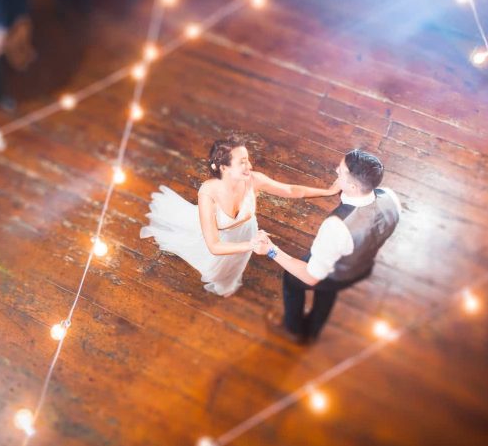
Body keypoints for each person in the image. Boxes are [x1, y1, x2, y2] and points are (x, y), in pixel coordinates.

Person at [141, 135, 339, 297]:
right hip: (222, 239)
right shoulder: (208, 193)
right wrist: (252, 246)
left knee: (235, 262)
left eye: (248, 160)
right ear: (224, 167)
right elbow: (214, 246)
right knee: (215, 264)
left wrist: (329, 192)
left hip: (246, 232)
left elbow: (290, 190)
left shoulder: (254, 180)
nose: (250, 166)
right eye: (243, 162)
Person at [259, 150, 401, 344]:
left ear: (352, 185)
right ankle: (313, 331)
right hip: (361, 267)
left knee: (292, 280)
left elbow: (311, 276)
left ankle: (293, 329)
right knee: (328, 290)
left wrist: (271, 250)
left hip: (333, 271)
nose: (336, 170)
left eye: (340, 172)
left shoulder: (336, 227)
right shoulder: (391, 198)